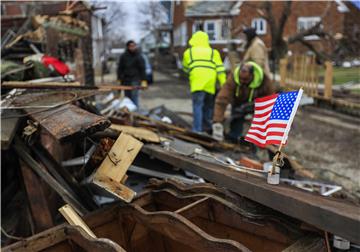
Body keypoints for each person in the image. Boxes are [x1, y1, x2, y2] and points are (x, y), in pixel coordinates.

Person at [212, 61, 274, 142]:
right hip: (238, 101)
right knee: (236, 117)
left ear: (252, 75)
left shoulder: (264, 81)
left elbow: (270, 100)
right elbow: (222, 99)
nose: (242, 81)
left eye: (245, 79)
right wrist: (217, 122)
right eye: (241, 79)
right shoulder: (233, 78)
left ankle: (257, 140)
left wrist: (255, 108)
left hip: (256, 103)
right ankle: (234, 138)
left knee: (259, 122)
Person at [182, 31, 226, 133]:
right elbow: (220, 70)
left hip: (197, 84)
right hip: (210, 84)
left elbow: (185, 69)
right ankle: (207, 128)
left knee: (197, 106)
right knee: (209, 106)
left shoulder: (189, 53)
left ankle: (197, 130)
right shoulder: (213, 53)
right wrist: (224, 85)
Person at [117, 40, 147, 107]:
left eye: (134, 46)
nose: (132, 47)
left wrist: (144, 80)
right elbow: (120, 68)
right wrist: (119, 79)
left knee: (134, 96)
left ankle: (135, 111)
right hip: (125, 80)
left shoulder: (139, 56)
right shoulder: (123, 56)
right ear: (128, 47)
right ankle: (129, 111)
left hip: (135, 79)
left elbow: (142, 69)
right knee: (127, 97)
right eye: (131, 46)